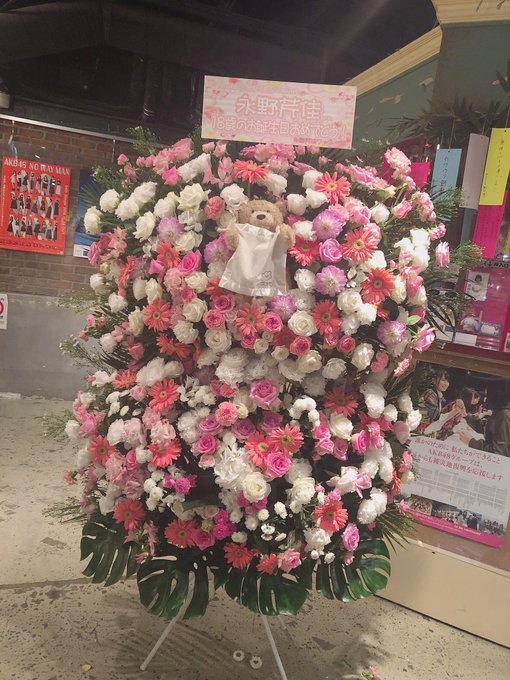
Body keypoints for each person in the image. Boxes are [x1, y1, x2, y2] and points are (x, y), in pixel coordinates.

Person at [459, 380, 510, 457]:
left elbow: (499, 453)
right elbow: (485, 427)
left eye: (488, 396)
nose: (485, 399)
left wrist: (471, 442)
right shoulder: (501, 411)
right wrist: (466, 415)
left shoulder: (504, 415)